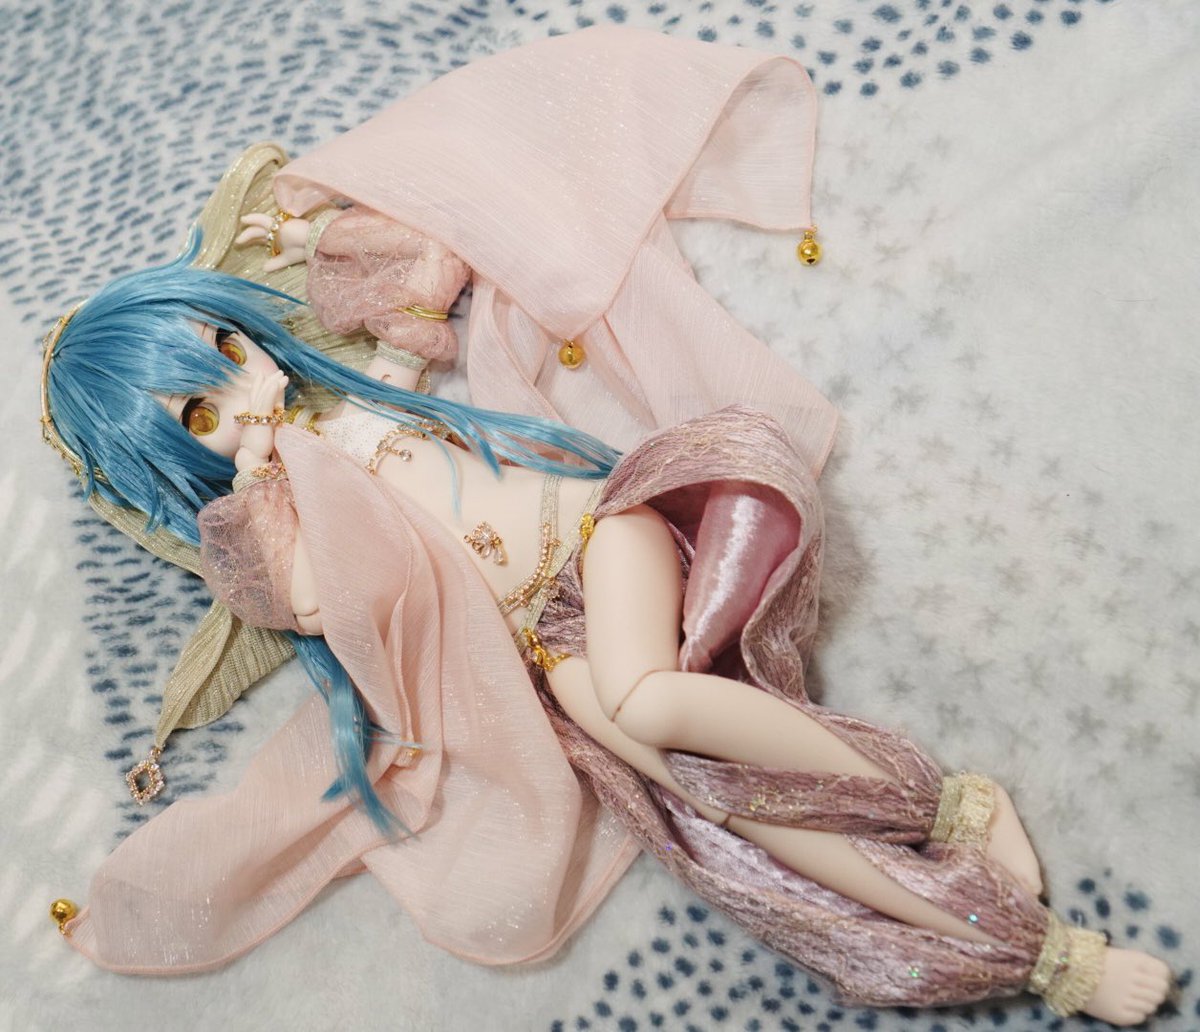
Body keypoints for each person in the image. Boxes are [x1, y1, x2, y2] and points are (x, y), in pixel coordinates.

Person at [38, 26, 1169, 1025]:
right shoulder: (267, 527)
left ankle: (941, 800)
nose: (243, 395)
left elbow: (437, 250)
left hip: (596, 531)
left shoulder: (365, 381)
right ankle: (1029, 951)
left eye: (226, 352)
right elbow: (326, 602)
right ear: (170, 456)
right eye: (200, 416)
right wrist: (274, 490)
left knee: (648, 700)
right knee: (713, 801)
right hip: (542, 641)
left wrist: (314, 233)